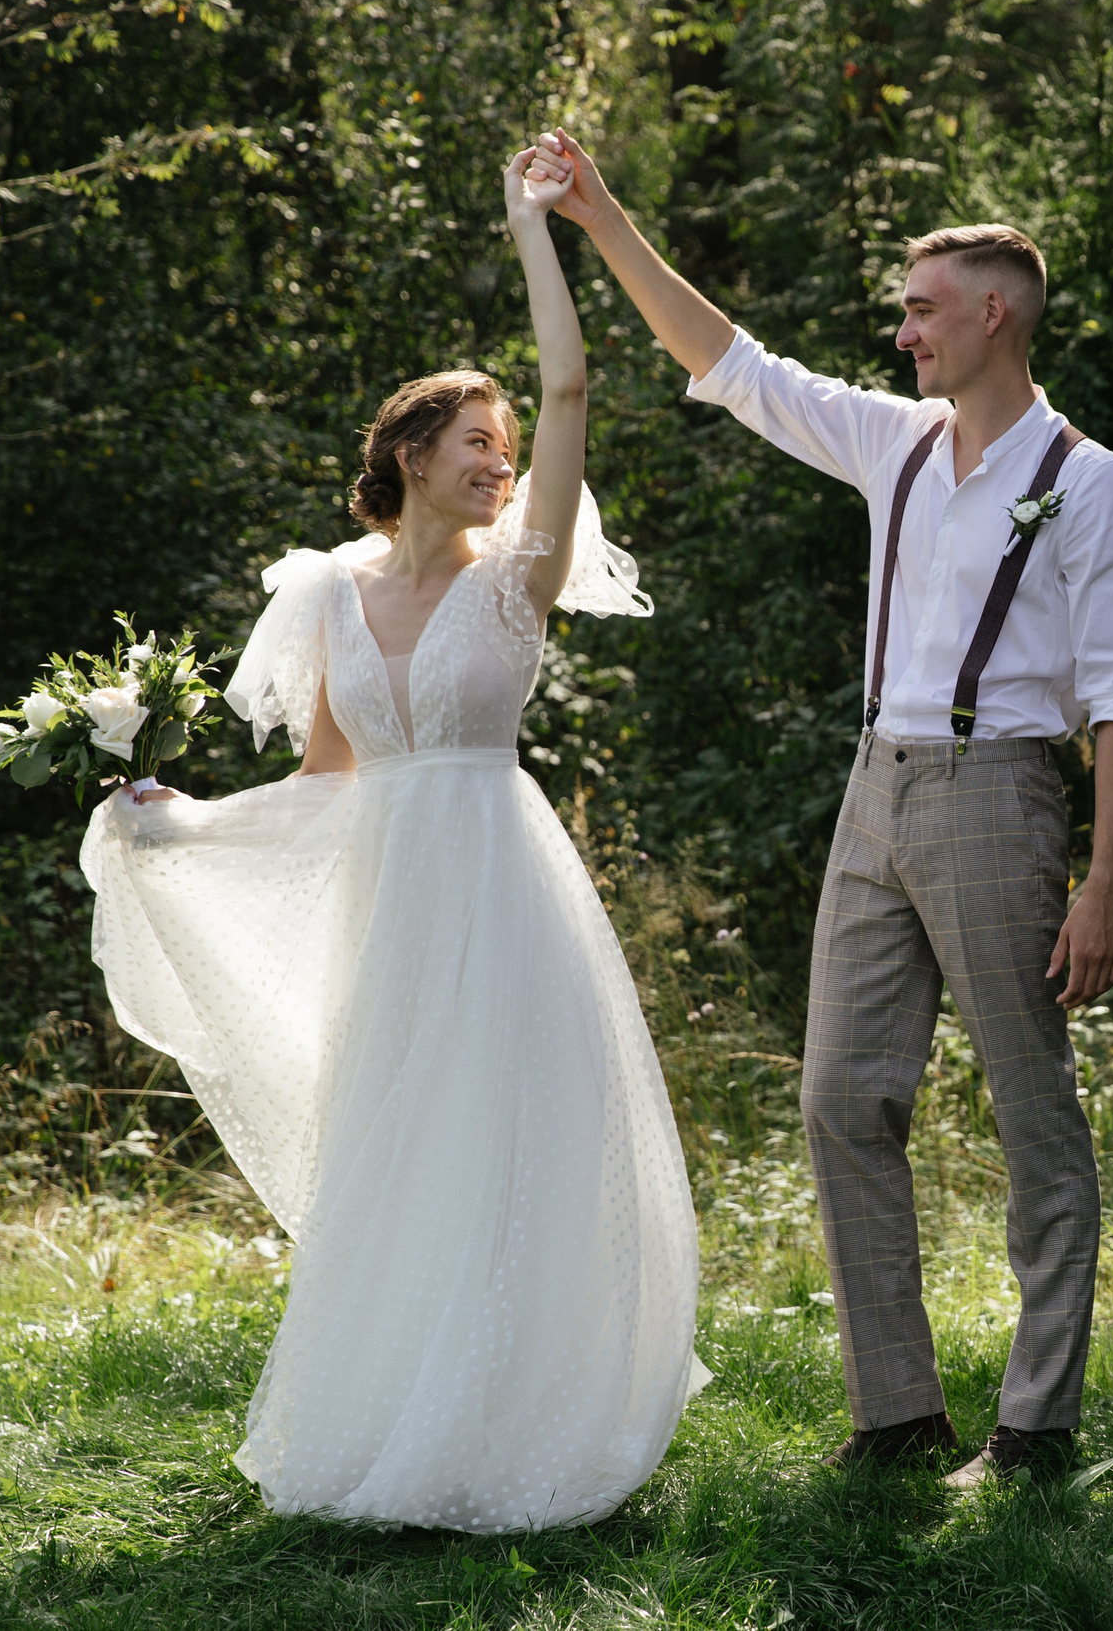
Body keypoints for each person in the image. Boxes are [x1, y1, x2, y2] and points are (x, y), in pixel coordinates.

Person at [79, 146, 707, 1533]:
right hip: (395, 899)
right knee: (408, 1151)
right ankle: (397, 1416)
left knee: (515, 1139)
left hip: (505, 878)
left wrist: (531, 234)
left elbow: (569, 389)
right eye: (472, 444)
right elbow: (325, 784)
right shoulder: (325, 594)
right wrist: (186, 828)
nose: (500, 462)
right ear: (409, 458)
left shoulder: (522, 580)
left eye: (505, 444)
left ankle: (527, 1414)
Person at [524, 130, 1113, 1488]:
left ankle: (1038, 1431)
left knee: (1032, 1110)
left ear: (995, 315)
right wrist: (596, 212)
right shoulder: (896, 442)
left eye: (924, 308)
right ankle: (900, 1418)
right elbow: (727, 363)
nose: (905, 329)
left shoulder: (1091, 484)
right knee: (837, 1099)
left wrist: (1104, 876)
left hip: (1003, 799)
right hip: (874, 791)